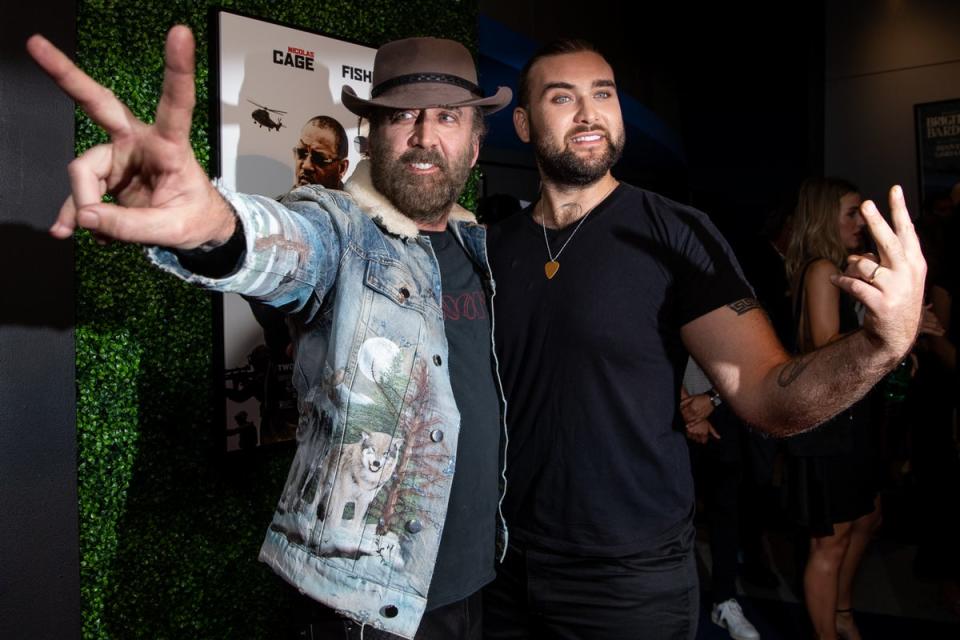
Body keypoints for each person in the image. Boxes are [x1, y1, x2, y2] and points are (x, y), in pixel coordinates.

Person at [27, 27, 512, 640]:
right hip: (366, 608)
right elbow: (287, 247)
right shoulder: (344, 235)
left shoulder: (488, 253)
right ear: (371, 134)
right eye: (401, 116)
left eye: (447, 117)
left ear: (473, 145)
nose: (424, 135)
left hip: (482, 582)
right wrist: (215, 228)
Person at [484, 39, 926, 640]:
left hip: (628, 579)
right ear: (523, 123)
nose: (589, 113)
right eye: (563, 98)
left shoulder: (675, 233)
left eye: (604, 94)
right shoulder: (493, 248)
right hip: (503, 564)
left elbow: (769, 397)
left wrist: (881, 345)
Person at [782, 178, 881, 640]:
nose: (860, 222)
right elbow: (822, 345)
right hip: (827, 422)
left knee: (867, 517)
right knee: (829, 542)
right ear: (826, 218)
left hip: (849, 416)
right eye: (850, 213)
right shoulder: (821, 268)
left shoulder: (836, 267)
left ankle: (842, 612)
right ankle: (830, 627)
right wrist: (892, 333)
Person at [293, 114, 350, 189]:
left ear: (342, 169)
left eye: (319, 159)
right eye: (301, 153)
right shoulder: (280, 200)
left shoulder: (354, 200)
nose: (306, 166)